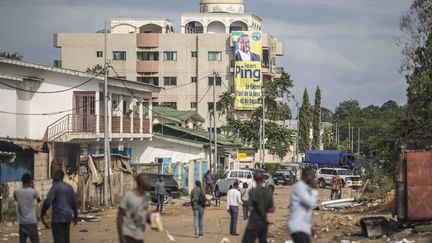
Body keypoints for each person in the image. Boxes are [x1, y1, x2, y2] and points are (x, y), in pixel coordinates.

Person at [41, 170, 78, 243]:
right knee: (66, 238)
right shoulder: (69, 187)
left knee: (59, 239)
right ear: (63, 177)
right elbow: (74, 203)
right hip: (68, 217)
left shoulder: (55, 187)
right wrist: (76, 216)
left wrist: (43, 212)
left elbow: (48, 201)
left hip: (58, 217)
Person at [117, 173, 151, 243]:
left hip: (139, 235)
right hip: (128, 234)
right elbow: (120, 217)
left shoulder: (146, 196)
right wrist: (121, 236)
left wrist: (153, 219)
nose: (149, 183)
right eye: (147, 180)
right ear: (141, 183)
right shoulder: (128, 196)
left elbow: (143, 215)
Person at [287, 168, 319, 243]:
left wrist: (310, 227)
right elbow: (310, 202)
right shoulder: (299, 187)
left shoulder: (305, 188)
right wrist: (314, 190)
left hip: (303, 227)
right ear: (308, 176)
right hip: (297, 226)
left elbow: (305, 212)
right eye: (313, 177)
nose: (314, 179)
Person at [241, 172, 275, 243]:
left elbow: (250, 208)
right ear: (263, 179)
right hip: (263, 222)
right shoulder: (268, 192)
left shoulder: (253, 191)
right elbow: (272, 209)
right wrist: (263, 208)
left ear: (254, 179)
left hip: (253, 223)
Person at [14, 173, 41, 243]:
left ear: (22, 181)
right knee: (35, 241)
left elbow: (16, 199)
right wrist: (33, 187)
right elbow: (39, 199)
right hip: (32, 222)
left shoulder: (17, 192)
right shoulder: (33, 191)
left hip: (22, 223)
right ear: (30, 182)